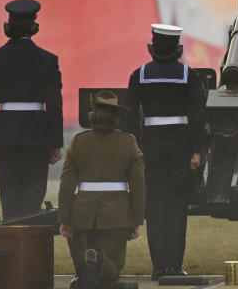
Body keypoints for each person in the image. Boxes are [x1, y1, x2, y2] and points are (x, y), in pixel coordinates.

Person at [123, 23, 205, 280]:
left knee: (155, 205)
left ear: (153, 47)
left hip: (151, 147)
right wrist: (197, 151)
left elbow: (129, 117)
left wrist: (134, 147)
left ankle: (158, 267)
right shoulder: (188, 75)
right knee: (178, 204)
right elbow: (198, 117)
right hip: (181, 147)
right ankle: (174, 267)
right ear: (177, 48)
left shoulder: (140, 75)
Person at [0, 0, 63, 219]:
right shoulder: (47, 60)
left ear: (8, 27)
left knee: (9, 196)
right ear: (34, 27)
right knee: (34, 197)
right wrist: (55, 142)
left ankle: (12, 244)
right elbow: (54, 104)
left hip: (4, 135)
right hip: (37, 135)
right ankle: (31, 246)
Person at [59, 90, 145, 289]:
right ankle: (97, 259)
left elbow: (67, 185)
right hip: (117, 216)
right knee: (111, 272)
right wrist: (136, 220)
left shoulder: (79, 141)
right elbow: (139, 185)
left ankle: (85, 269)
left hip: (82, 215)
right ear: (117, 117)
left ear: (92, 114)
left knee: (83, 272)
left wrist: (64, 219)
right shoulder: (128, 142)